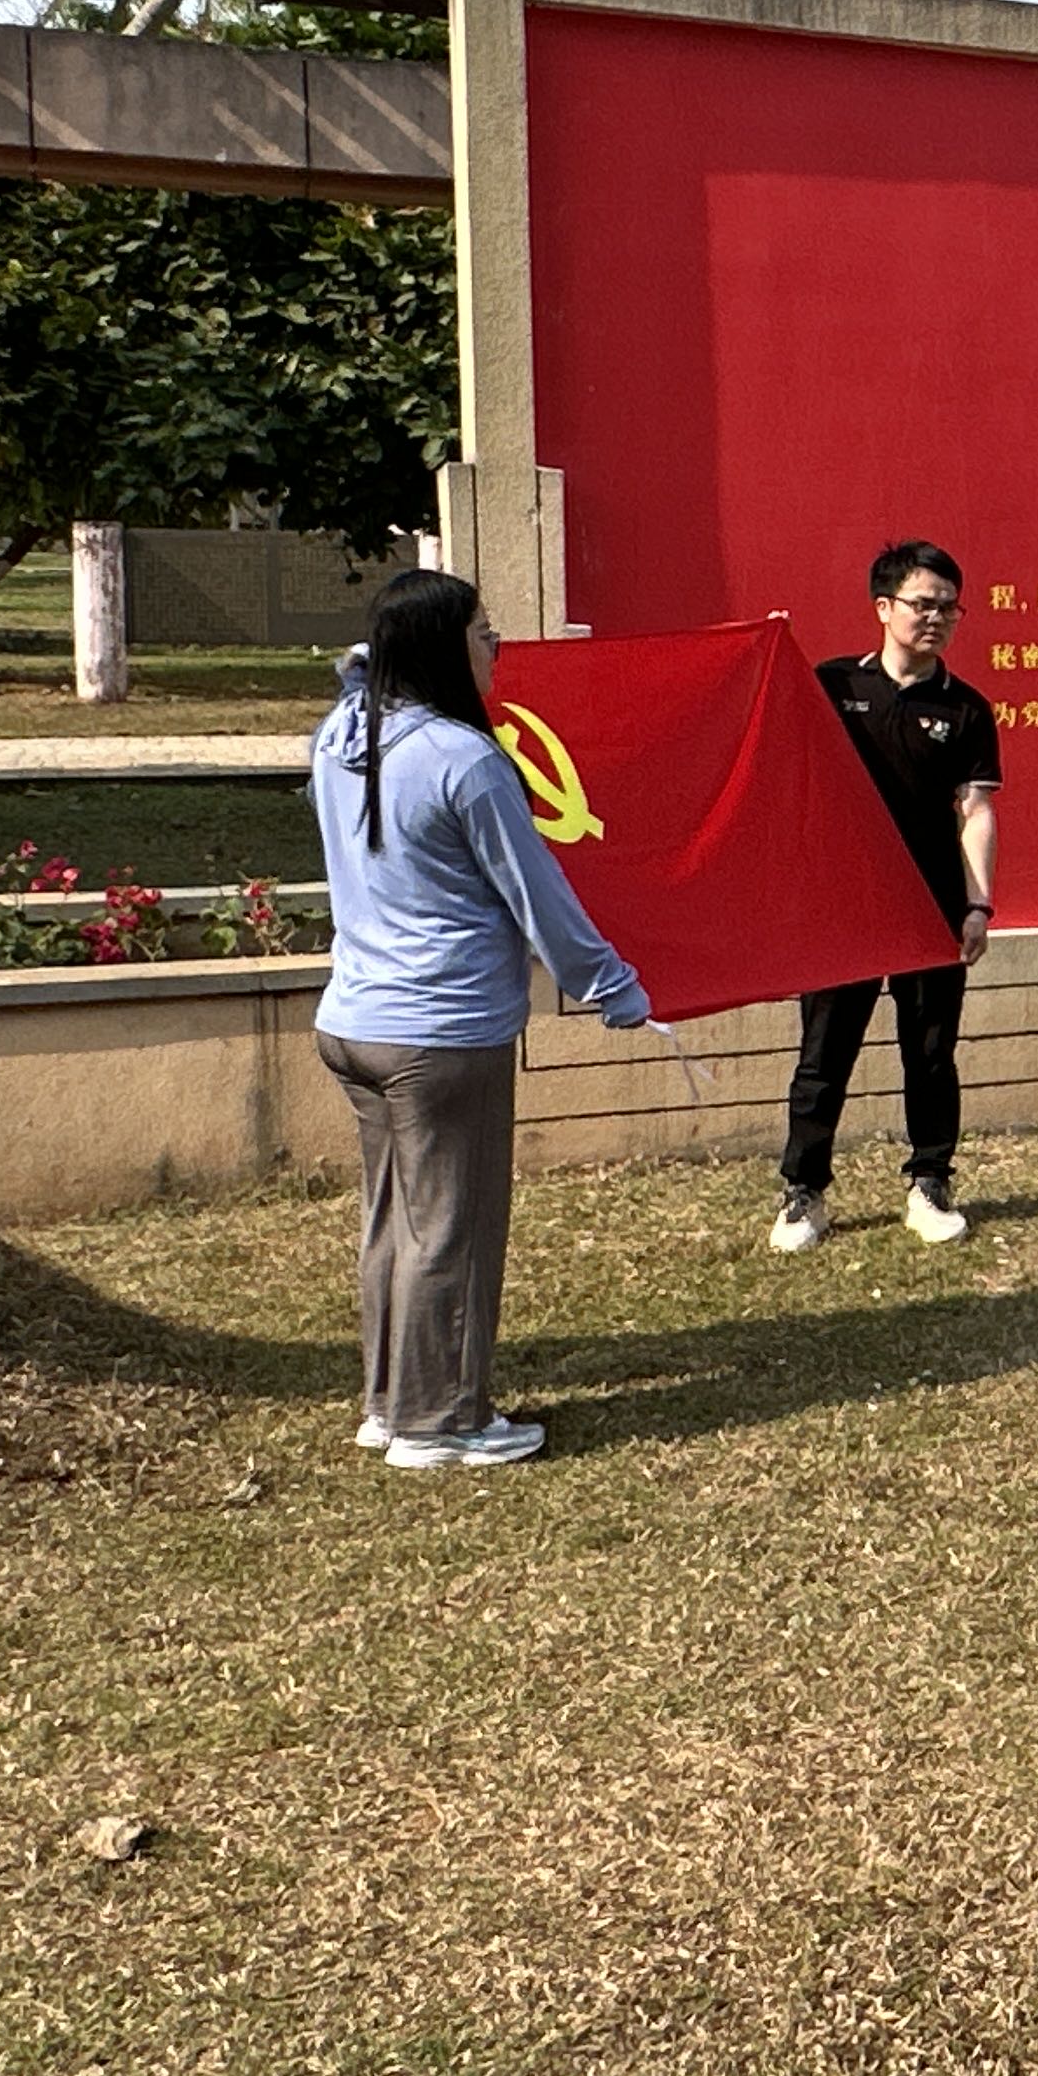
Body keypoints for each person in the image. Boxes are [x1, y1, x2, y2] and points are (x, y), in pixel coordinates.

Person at [310, 569, 653, 1472]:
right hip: (443, 1033)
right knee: (450, 1230)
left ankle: (389, 1404)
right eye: (481, 629)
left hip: (355, 1024)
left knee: (394, 1220)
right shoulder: (466, 760)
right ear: (440, 648)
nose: (496, 644)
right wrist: (612, 986)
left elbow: (354, 676)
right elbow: (538, 895)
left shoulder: (342, 736)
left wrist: (377, 655)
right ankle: (441, 1423)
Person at [776, 540, 1004, 1252]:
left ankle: (929, 1183)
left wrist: (977, 905)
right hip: (842, 906)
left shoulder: (965, 709)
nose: (936, 618)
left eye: (950, 608)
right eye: (922, 604)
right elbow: (771, 733)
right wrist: (772, 657)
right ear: (884, 607)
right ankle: (804, 1193)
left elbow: (976, 811)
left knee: (930, 1053)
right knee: (823, 1056)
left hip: (929, 905)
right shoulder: (832, 684)